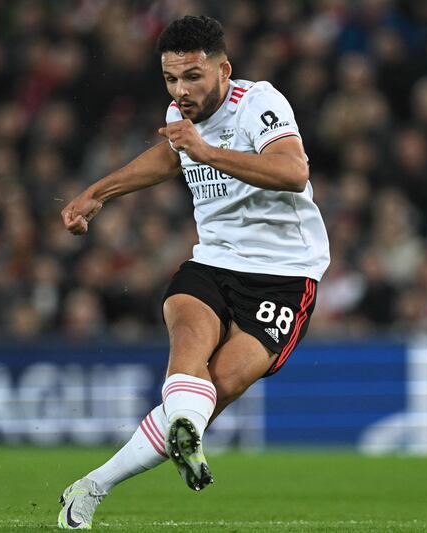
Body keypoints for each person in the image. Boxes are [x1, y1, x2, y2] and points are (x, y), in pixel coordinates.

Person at [56, 15, 329, 529]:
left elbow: (293, 172)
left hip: (285, 274)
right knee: (187, 345)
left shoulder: (259, 103)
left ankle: (96, 482)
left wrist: (208, 151)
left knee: (217, 386)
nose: (180, 91)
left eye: (192, 77)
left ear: (223, 69)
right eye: (170, 79)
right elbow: (170, 159)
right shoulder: (181, 115)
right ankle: (183, 427)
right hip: (213, 260)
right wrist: (97, 193)